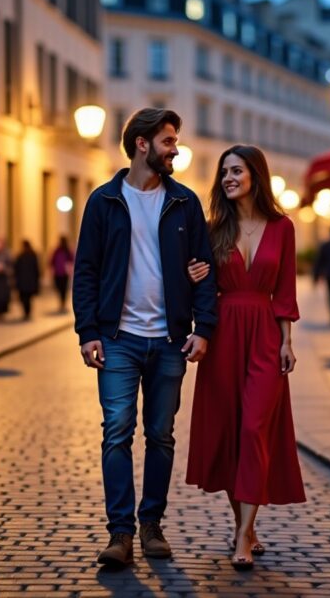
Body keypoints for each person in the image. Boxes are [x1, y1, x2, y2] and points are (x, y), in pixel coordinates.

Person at [73, 108, 217, 568]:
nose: (175, 150)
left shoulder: (185, 202)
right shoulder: (104, 201)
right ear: (142, 144)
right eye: (169, 142)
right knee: (116, 433)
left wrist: (204, 328)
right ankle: (120, 534)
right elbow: (86, 272)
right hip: (118, 338)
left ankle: (151, 524)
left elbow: (206, 270)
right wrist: (87, 331)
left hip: (171, 339)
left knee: (161, 435)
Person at [184, 145, 305, 571]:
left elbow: (285, 290)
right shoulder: (213, 228)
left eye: (236, 170)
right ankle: (247, 527)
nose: (228, 178)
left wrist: (286, 341)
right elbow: (197, 287)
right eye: (224, 173)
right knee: (234, 433)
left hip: (265, 338)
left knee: (254, 427)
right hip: (223, 336)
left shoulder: (282, 227)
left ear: (255, 173)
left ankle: (241, 536)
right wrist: (194, 276)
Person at [13, 239, 41, 321]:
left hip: (23, 281)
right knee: (27, 298)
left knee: (24, 298)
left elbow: (16, 269)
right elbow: (36, 269)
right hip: (30, 281)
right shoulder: (32, 255)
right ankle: (27, 313)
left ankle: (26, 313)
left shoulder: (20, 255)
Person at [50, 236, 74, 313]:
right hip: (58, 273)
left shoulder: (67, 251)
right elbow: (52, 260)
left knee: (63, 289)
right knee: (60, 289)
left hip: (64, 273)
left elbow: (72, 259)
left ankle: (62, 304)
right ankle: (61, 303)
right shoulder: (57, 250)